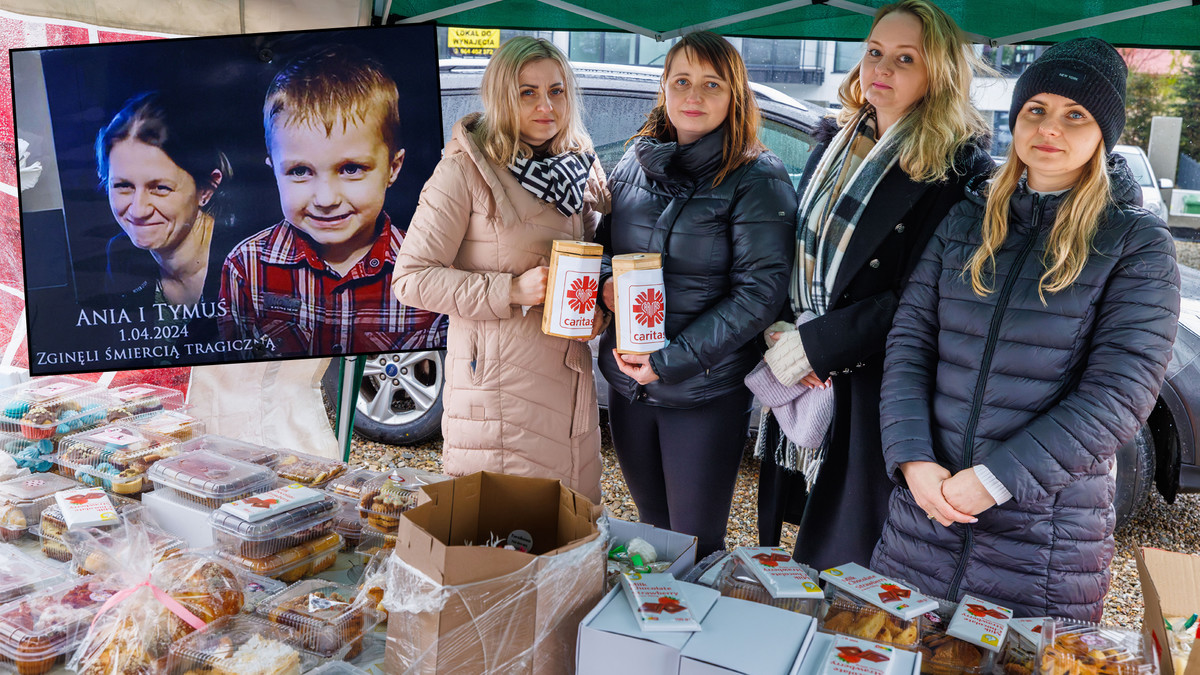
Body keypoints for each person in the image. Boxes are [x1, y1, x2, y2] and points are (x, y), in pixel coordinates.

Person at [871, 38, 1180, 620]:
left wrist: (993, 480)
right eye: (1035, 109)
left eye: (1075, 115)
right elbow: (910, 346)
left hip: (1043, 541)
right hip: (926, 516)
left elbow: (1118, 397)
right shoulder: (965, 220)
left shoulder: (1135, 244)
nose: (1050, 129)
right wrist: (912, 458)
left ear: (1104, 132)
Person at [753, 0, 994, 570]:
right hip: (803, 355)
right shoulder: (834, 141)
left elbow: (919, 295)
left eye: (904, 58)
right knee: (795, 533)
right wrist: (784, 328)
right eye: (874, 52)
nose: (880, 69)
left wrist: (817, 346)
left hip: (874, 378)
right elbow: (798, 250)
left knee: (848, 550)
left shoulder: (958, 168)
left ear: (937, 73)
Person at [596, 32, 797, 558]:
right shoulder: (632, 164)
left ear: (735, 96)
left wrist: (668, 360)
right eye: (681, 81)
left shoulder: (757, 176)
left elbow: (760, 293)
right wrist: (602, 286)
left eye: (712, 84)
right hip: (627, 385)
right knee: (650, 535)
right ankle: (652, 636)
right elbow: (599, 250)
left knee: (694, 543)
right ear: (663, 88)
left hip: (703, 394)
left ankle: (692, 637)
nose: (694, 95)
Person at [392, 37, 607, 502]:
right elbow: (409, 279)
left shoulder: (576, 171)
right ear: (500, 96)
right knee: (504, 538)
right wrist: (510, 290)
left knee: (566, 530)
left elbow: (590, 265)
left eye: (556, 90)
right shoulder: (464, 171)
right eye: (527, 92)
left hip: (570, 382)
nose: (545, 105)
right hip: (498, 391)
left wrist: (597, 310)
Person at [219, 46, 445, 357]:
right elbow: (233, 370)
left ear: (393, 168)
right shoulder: (245, 267)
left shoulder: (427, 269)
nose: (325, 199)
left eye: (351, 169)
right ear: (274, 172)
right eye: (300, 171)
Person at [98, 90, 234, 352]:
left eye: (160, 187)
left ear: (205, 190)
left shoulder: (248, 260)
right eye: (123, 186)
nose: (138, 211)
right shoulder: (120, 254)